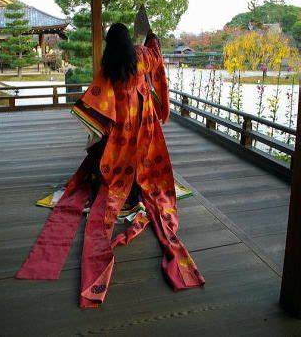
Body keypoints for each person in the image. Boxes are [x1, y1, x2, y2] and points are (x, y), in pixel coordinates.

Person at [16, 23, 205, 308]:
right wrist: (152, 37)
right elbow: (156, 55)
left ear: (109, 44)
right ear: (129, 41)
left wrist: (97, 131)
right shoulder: (142, 55)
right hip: (145, 125)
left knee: (109, 164)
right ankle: (139, 192)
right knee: (146, 165)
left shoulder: (109, 66)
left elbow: (97, 100)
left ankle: (121, 191)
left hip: (119, 130)